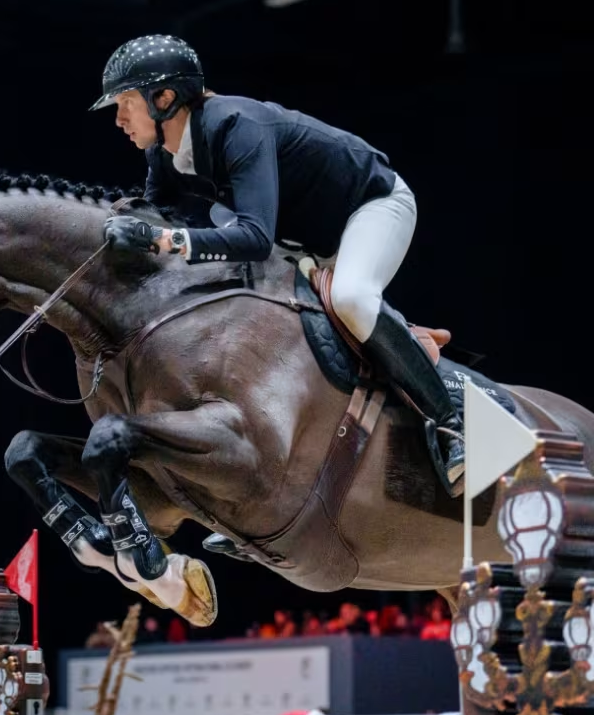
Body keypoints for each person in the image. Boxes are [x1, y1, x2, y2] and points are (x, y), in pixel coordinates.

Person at [90, 34, 464, 555]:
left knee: (353, 299)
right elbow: (160, 220)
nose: (118, 119)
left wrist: (162, 239)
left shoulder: (235, 126)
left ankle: (451, 424)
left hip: (369, 206)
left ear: (164, 99)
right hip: (306, 238)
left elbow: (252, 237)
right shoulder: (167, 155)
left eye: (125, 103)